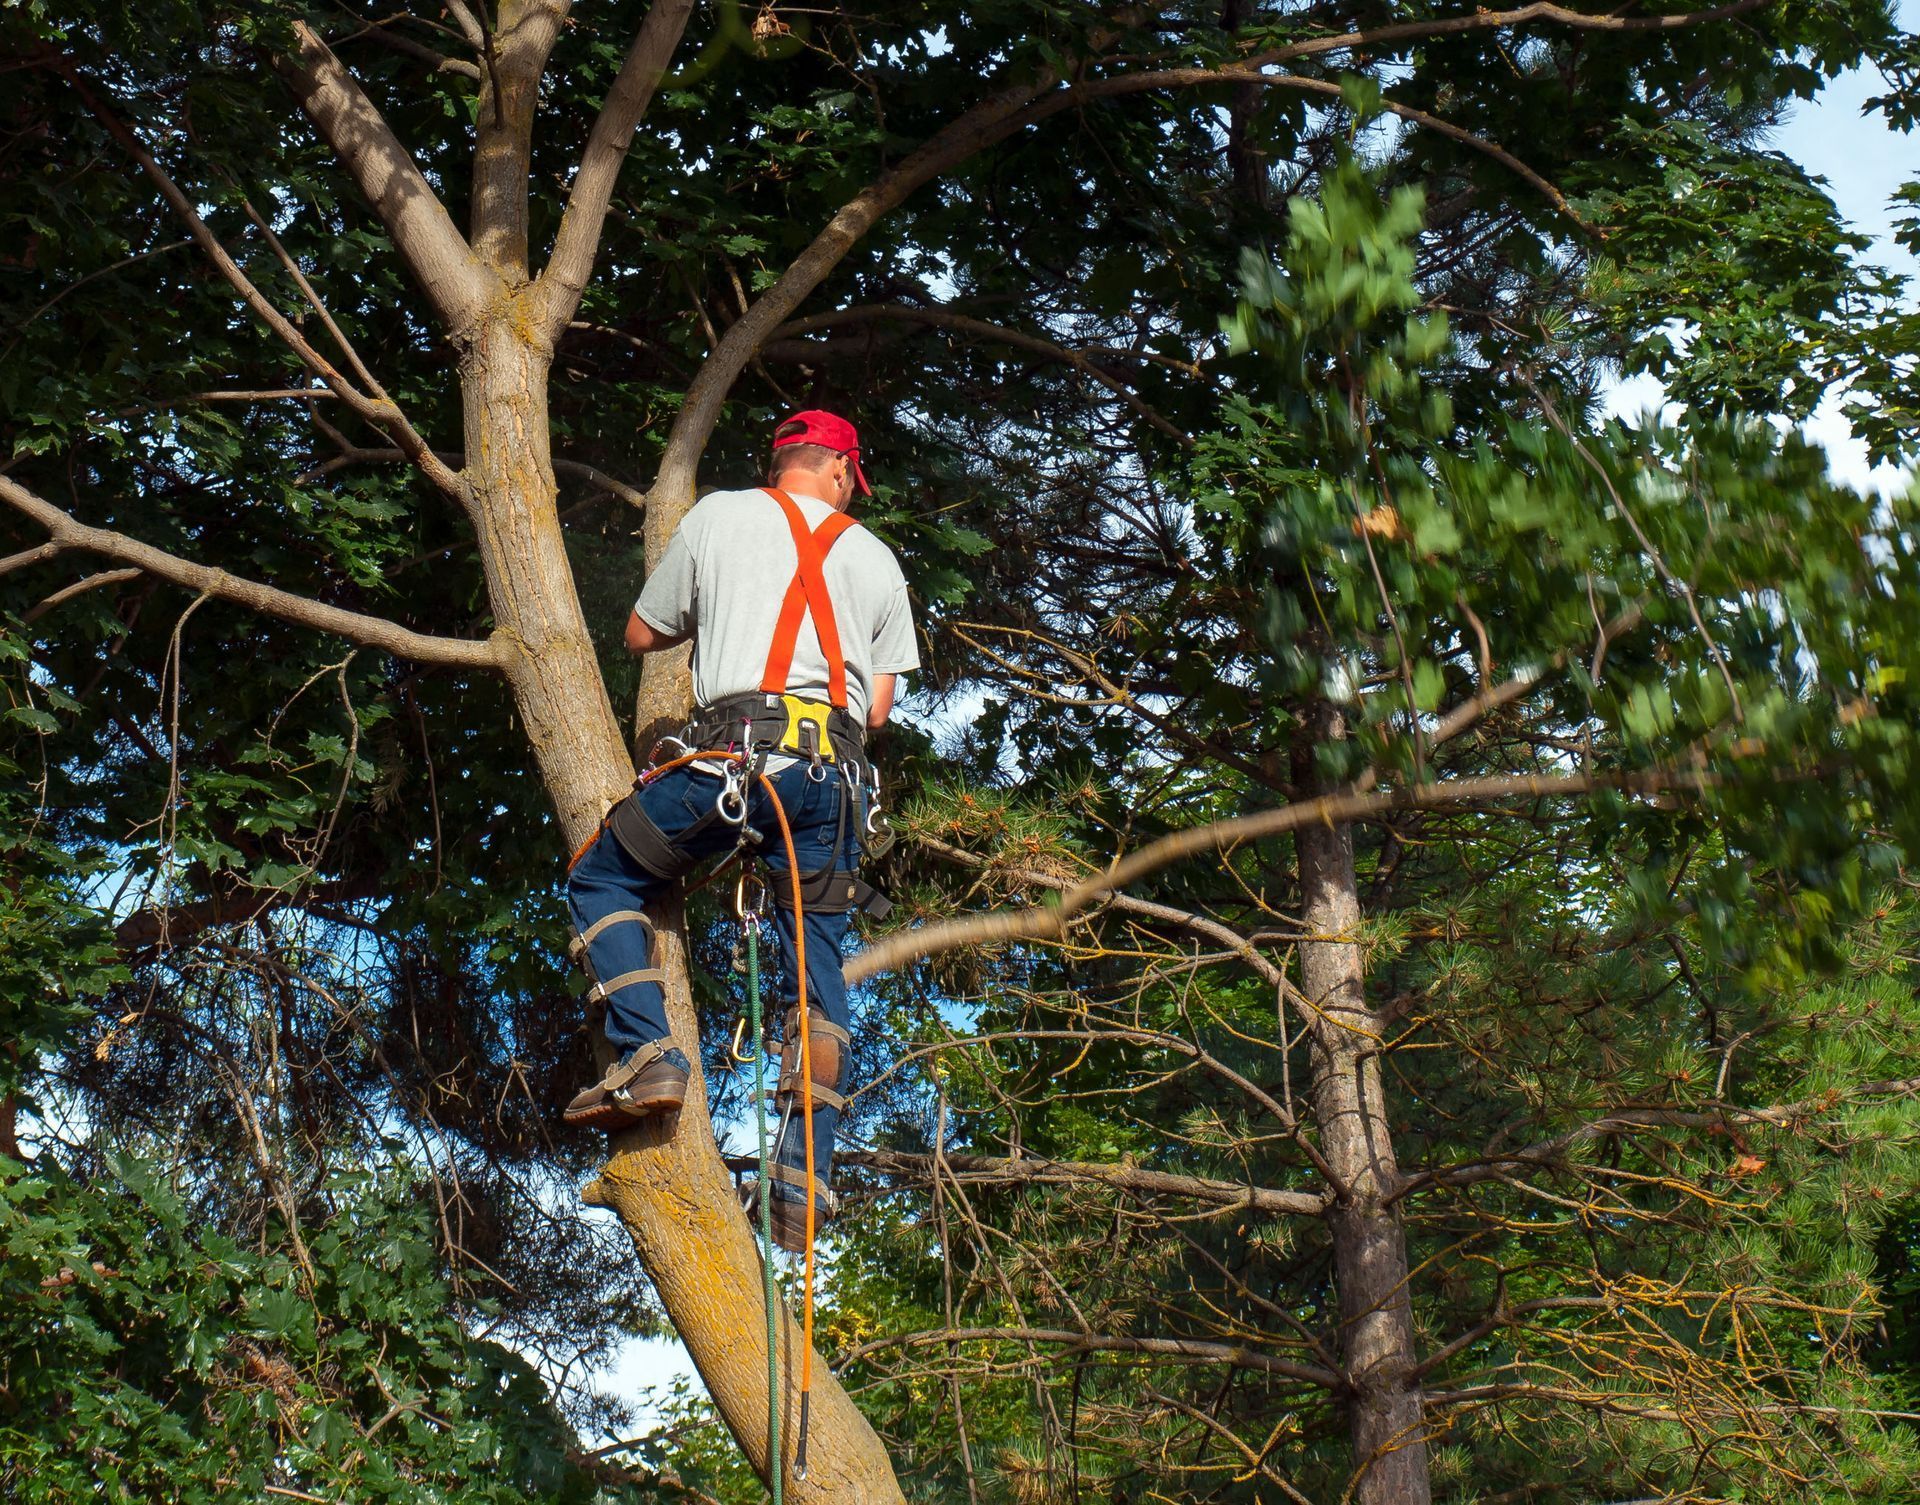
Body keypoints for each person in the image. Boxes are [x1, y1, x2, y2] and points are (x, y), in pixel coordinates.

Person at [562, 409, 917, 1251]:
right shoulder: (876, 557)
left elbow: (641, 631)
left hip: (735, 761)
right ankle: (801, 1184)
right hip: (832, 783)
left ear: (783, 460)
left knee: (605, 876)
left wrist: (724, 611)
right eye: (848, 479)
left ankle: (649, 1057)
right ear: (838, 469)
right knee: (814, 982)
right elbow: (875, 709)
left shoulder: (718, 515)